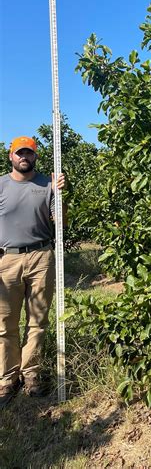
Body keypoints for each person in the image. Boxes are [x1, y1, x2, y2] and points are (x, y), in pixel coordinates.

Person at [0, 136, 66, 408]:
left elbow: (60, 222)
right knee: (5, 323)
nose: (24, 157)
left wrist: (62, 194)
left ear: (36, 156)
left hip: (41, 256)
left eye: (29, 152)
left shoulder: (47, 184)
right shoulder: (1, 184)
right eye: (19, 153)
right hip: (7, 260)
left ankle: (31, 375)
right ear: (11, 157)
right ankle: (6, 379)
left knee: (38, 321)